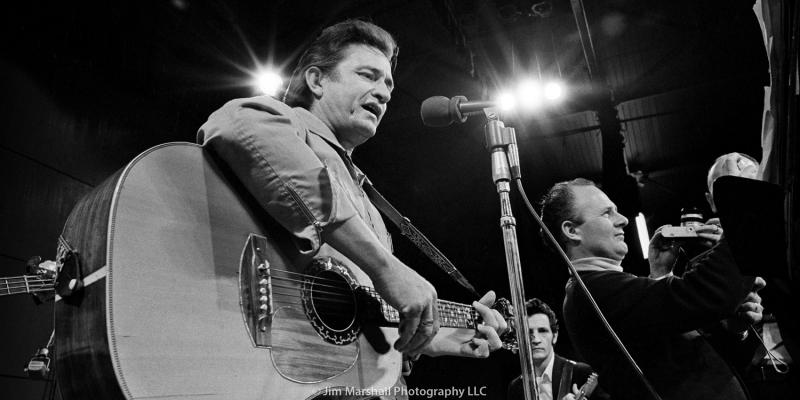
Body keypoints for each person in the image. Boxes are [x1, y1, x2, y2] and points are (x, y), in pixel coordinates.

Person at [197, 19, 506, 397]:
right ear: (317, 80)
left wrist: (429, 342)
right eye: (368, 75)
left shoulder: (373, 212)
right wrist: (384, 266)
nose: (384, 93)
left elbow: (349, 329)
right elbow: (237, 126)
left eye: (388, 85)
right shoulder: (284, 121)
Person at [540, 178, 763, 400]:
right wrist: (741, 227)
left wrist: (736, 328)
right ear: (572, 230)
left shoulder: (604, 290)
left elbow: (693, 359)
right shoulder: (592, 292)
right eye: (607, 213)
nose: (623, 220)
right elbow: (707, 294)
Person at [507, 298, 603, 400]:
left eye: (542, 331)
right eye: (529, 332)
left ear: (555, 336)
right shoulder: (516, 387)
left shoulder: (580, 373)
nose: (536, 340)